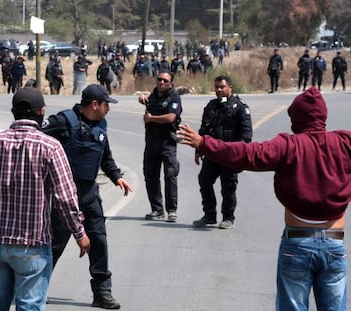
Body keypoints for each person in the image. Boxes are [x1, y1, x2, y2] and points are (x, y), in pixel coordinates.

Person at [177, 86, 351, 310]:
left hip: (297, 244)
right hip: (334, 243)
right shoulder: (344, 143)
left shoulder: (290, 145)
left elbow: (247, 154)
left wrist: (205, 143)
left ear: (297, 118)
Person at [0, 87, 90, 311]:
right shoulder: (50, 146)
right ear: (42, 112)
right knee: (29, 306)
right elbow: (65, 198)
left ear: (13, 111)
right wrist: (79, 232)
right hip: (32, 246)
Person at [42, 84, 132, 309]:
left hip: (89, 193)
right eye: (106, 105)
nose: (108, 109)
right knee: (55, 244)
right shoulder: (63, 122)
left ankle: (102, 292)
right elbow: (37, 141)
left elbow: (105, 156)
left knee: (98, 240)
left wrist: (116, 177)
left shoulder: (101, 125)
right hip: (64, 193)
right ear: (94, 104)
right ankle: (36, 288)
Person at [192, 75, 252, 229]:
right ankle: (209, 215)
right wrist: (199, 150)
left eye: (222, 87)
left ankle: (228, 217)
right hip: (212, 153)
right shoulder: (211, 106)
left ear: (230, 87)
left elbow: (246, 135)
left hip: (230, 155)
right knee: (204, 181)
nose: (219, 90)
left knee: (228, 187)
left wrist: (240, 154)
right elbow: (204, 129)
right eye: (217, 87)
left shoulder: (240, 107)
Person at [138, 70, 182, 222]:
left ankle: (171, 210)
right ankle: (157, 209)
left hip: (167, 142)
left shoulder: (174, 97)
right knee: (150, 176)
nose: (162, 83)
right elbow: (146, 101)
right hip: (151, 142)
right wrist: (142, 98)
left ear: (171, 83)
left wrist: (151, 119)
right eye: (160, 80)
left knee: (170, 175)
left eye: (165, 81)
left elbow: (171, 118)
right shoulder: (153, 95)